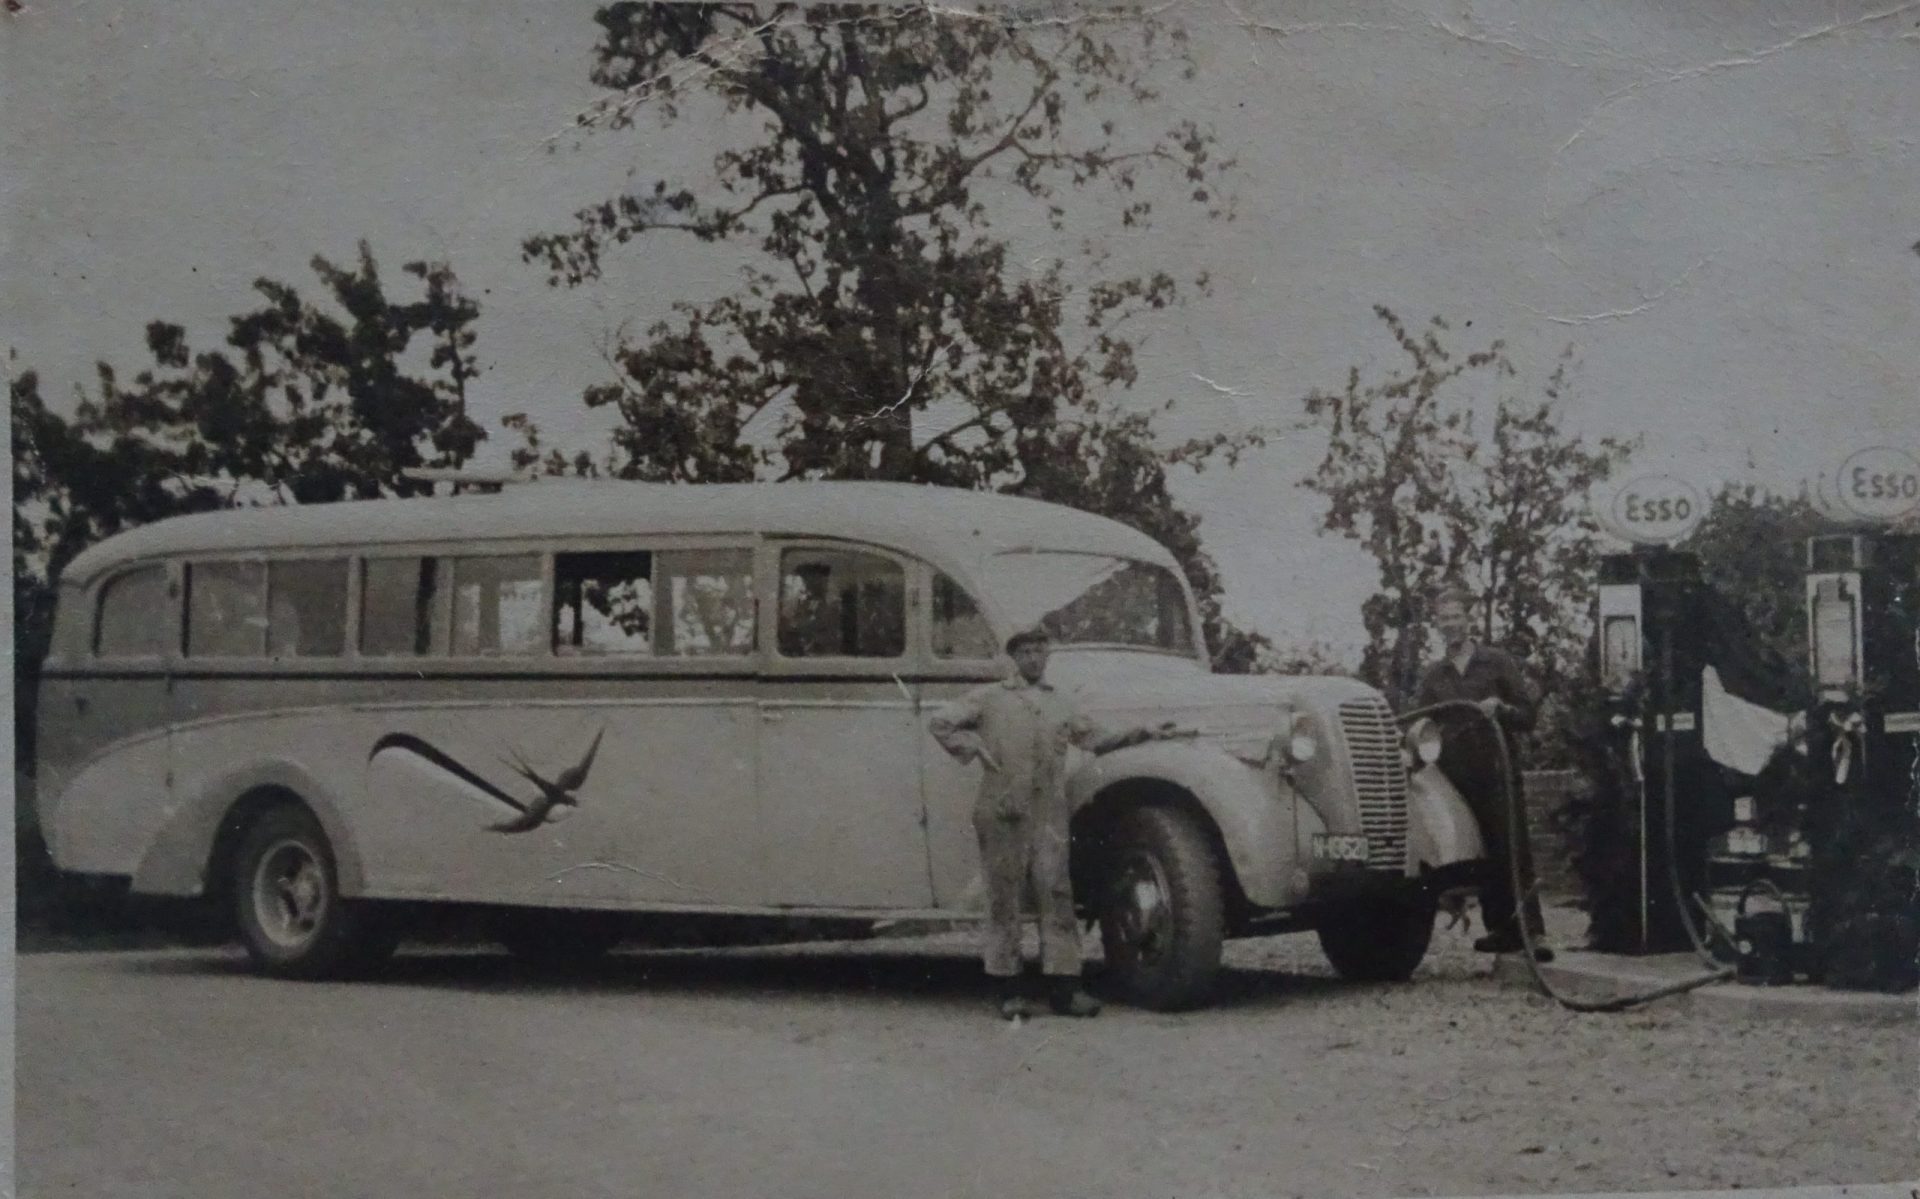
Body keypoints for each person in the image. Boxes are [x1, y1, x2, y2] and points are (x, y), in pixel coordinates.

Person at [928, 627, 1177, 1020]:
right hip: (1003, 809)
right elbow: (942, 722)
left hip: (1048, 814)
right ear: (1014, 657)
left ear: (1047, 656)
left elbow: (1096, 739)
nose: (1033, 658)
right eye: (1025, 652)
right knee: (1004, 899)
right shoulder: (991, 698)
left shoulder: (1061, 702)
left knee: (1056, 896)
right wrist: (972, 746)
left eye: (1039, 651)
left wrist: (1143, 732)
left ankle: (1065, 990)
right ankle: (1008, 991)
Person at [1414, 583, 1555, 963]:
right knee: (1480, 852)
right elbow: (1418, 723)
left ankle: (1533, 932)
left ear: (1468, 619)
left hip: (1496, 768)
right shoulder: (1434, 676)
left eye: (1456, 616)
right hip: (1455, 778)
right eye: (1443, 619)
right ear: (1436, 624)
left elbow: (1527, 715)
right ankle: (1500, 930)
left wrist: (1501, 709)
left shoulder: (1496, 663)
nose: (1450, 625)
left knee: (1512, 847)